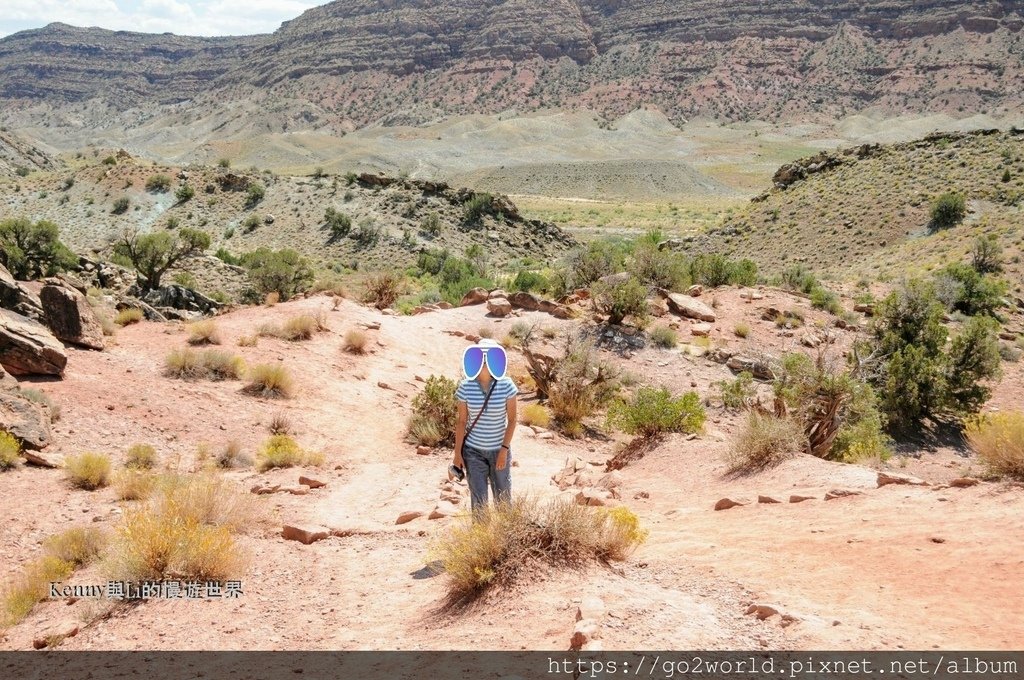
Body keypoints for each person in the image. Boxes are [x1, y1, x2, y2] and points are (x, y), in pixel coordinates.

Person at [452, 338, 518, 513]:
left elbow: (512, 420)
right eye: (481, 355)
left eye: (490, 355)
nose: (484, 360)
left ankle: (505, 539)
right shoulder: (465, 386)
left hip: (499, 451)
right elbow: (461, 422)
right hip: (473, 452)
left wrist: (504, 450)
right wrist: (457, 455)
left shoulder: (506, 385)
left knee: (503, 501)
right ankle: (481, 538)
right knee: (479, 503)